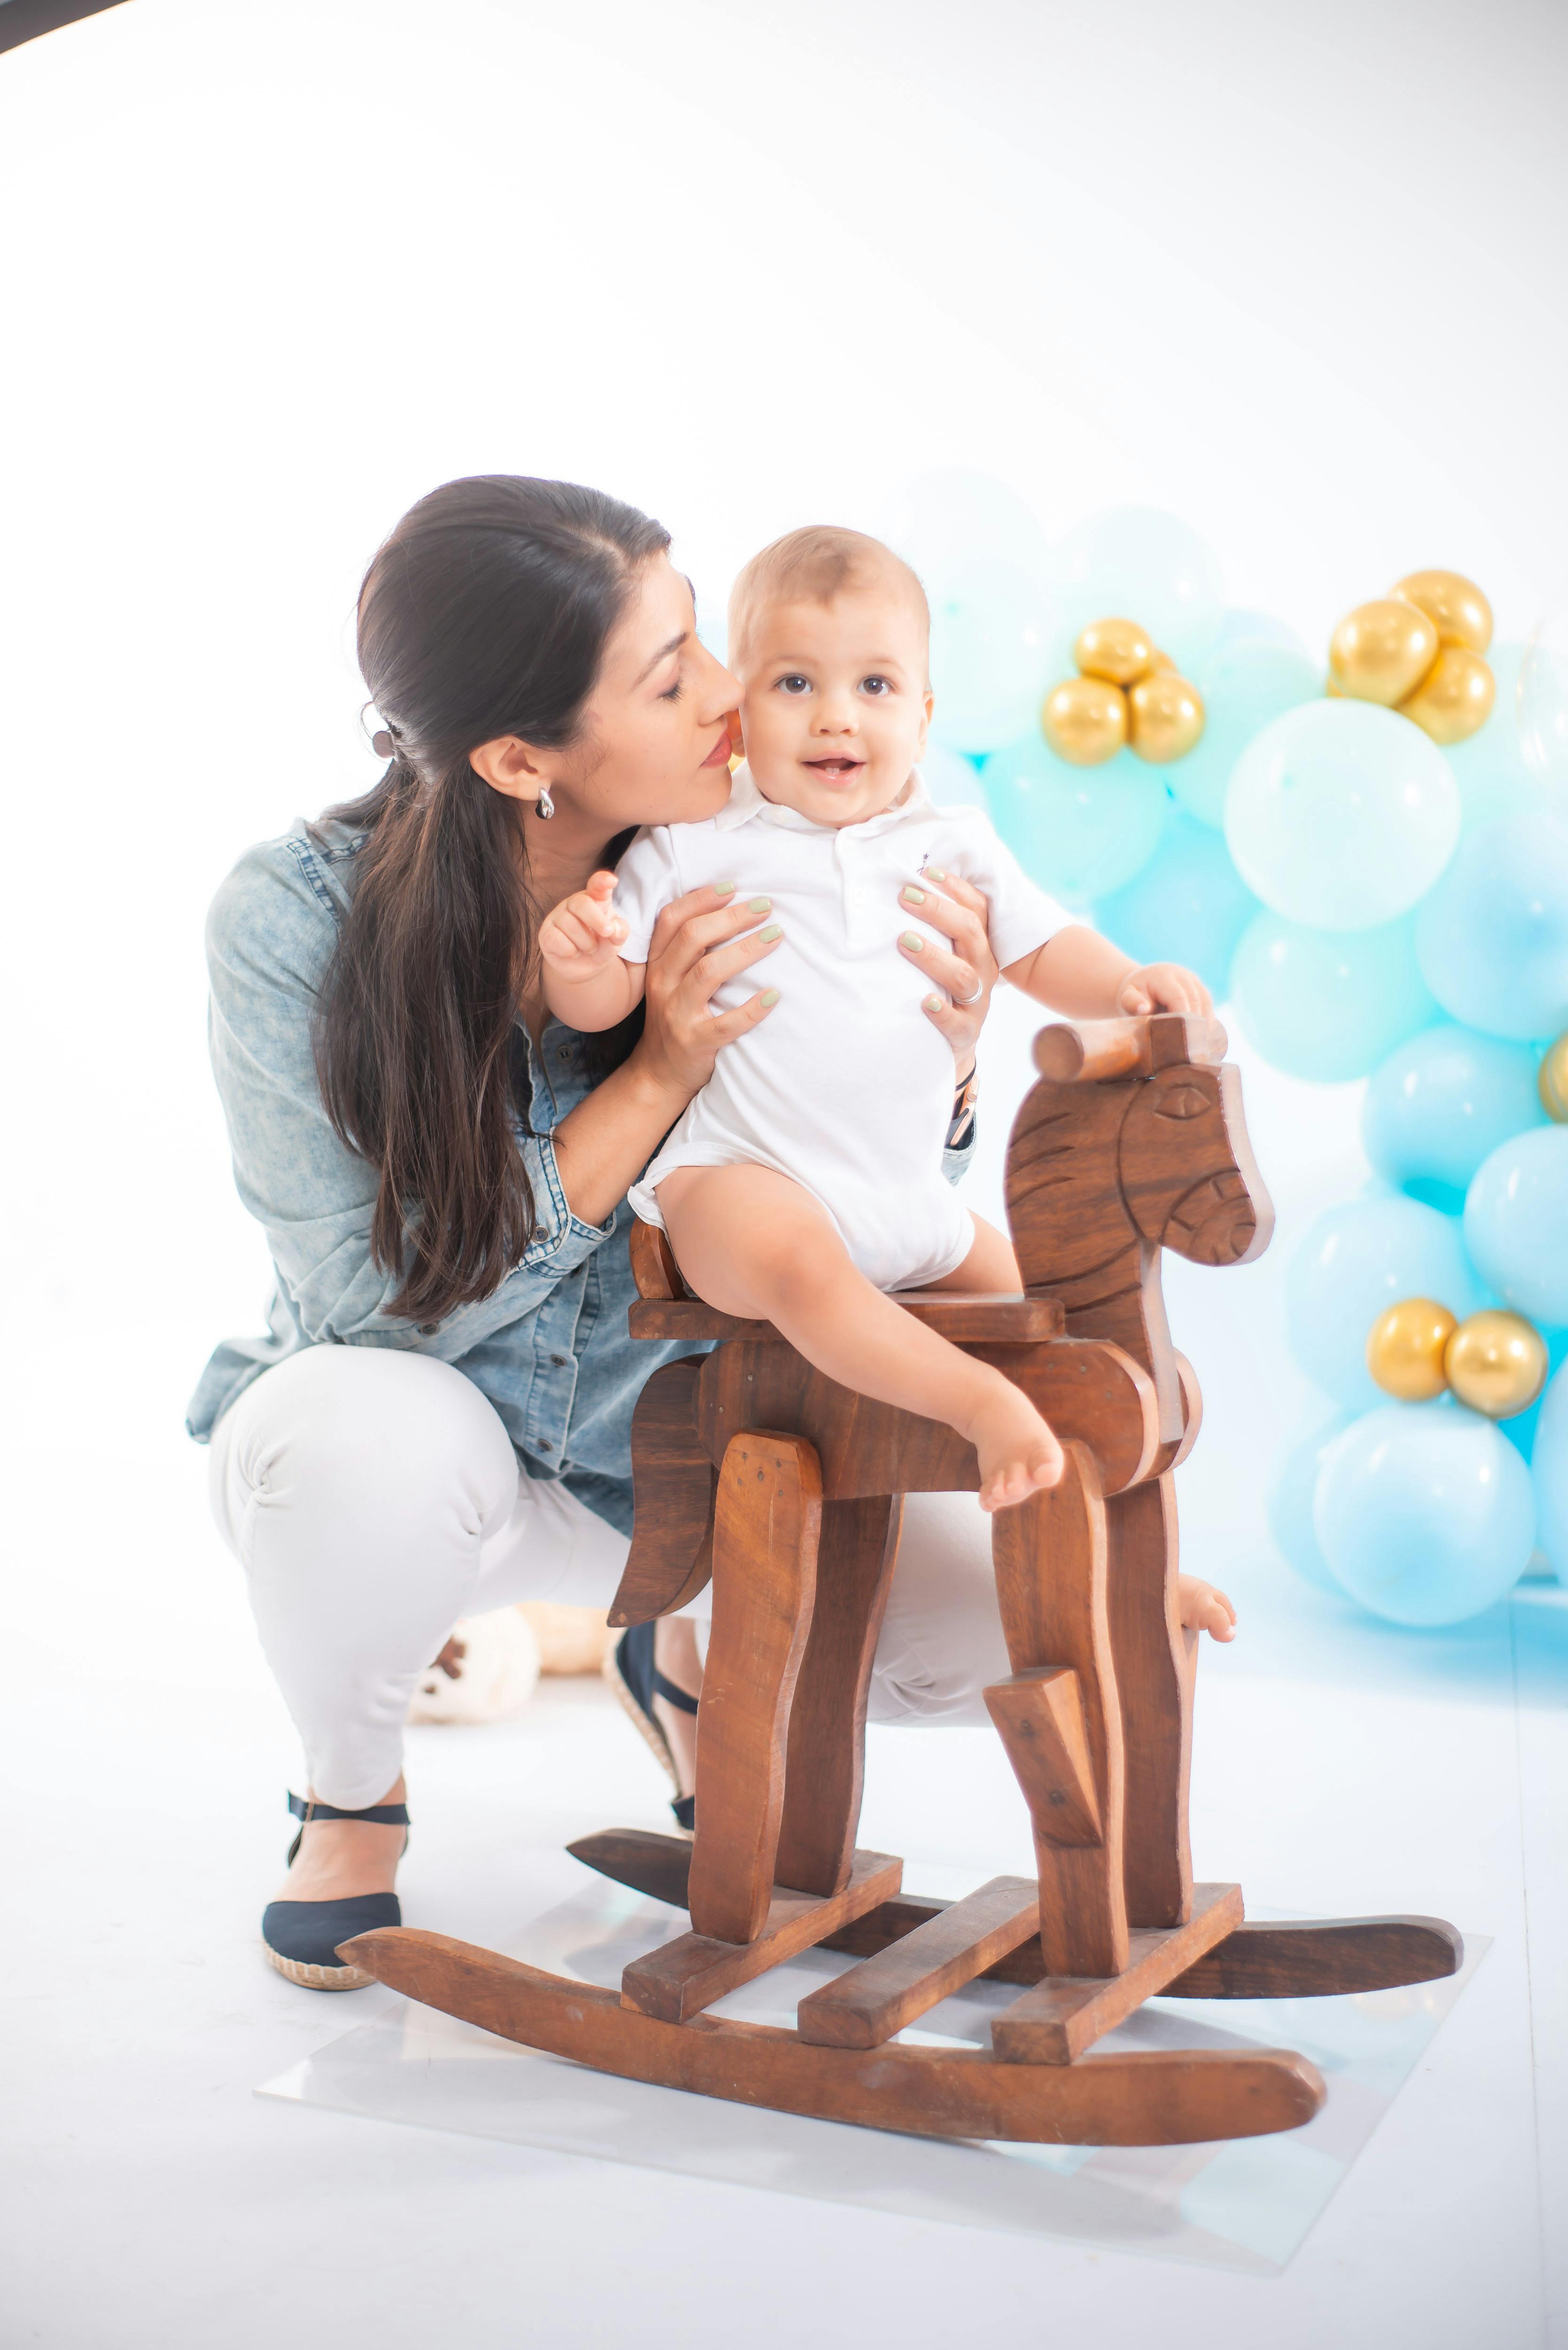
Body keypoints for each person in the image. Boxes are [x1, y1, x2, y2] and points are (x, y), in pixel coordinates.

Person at [190, 477, 1022, 1992]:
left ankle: (678, 1648)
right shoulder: (291, 919)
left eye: (701, 639)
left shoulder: (777, 851)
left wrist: (948, 1061)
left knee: (984, 1641)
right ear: (520, 759)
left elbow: (850, 1162)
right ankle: (351, 1794)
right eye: (670, 677)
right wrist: (651, 1078)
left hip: (690, 1446)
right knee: (350, 1444)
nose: (730, 696)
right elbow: (366, 1304)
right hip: (440, 1447)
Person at [537, 527, 1237, 1627]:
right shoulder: (697, 842)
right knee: (809, 1275)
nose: (835, 716)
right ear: (740, 710)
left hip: (912, 1203)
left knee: (1092, 1319)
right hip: (740, 1181)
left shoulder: (950, 843)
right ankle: (980, 1407)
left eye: (873, 685)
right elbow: (613, 997)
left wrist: (1129, 986)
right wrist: (578, 965)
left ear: (922, 713)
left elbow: (1043, 948)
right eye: (793, 683)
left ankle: (1132, 1563)